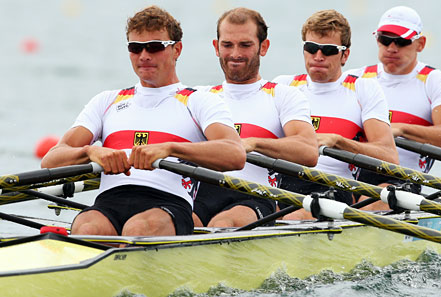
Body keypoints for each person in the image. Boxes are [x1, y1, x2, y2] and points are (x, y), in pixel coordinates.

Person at [41, 6, 246, 237]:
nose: (144, 55)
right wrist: (91, 152)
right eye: (135, 48)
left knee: (138, 228)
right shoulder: (107, 101)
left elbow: (235, 154)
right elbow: (51, 161)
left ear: (177, 49)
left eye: (155, 47)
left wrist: (169, 148)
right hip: (110, 201)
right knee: (88, 226)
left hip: (168, 203)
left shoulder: (199, 101)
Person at [192, 7, 319, 228]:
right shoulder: (199, 97)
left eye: (245, 45)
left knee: (224, 222)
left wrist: (252, 143)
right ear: (216, 47)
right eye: (227, 45)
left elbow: (308, 150)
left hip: (255, 196)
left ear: (264, 47)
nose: (235, 54)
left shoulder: (283, 95)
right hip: (202, 195)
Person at [273, 9, 398, 219]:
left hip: (335, 186)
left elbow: (389, 157)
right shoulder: (284, 86)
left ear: (345, 55)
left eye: (328, 50)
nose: (318, 56)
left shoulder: (363, 90)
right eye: (311, 48)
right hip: (285, 182)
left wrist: (338, 142)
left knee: (295, 216)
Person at [349, 6, 441, 209]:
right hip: (349, 174)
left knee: (373, 200)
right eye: (385, 40)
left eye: (402, 41)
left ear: (420, 44)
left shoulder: (435, 82)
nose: (392, 48)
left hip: (401, 180)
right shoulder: (356, 78)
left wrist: (401, 129)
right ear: (377, 40)